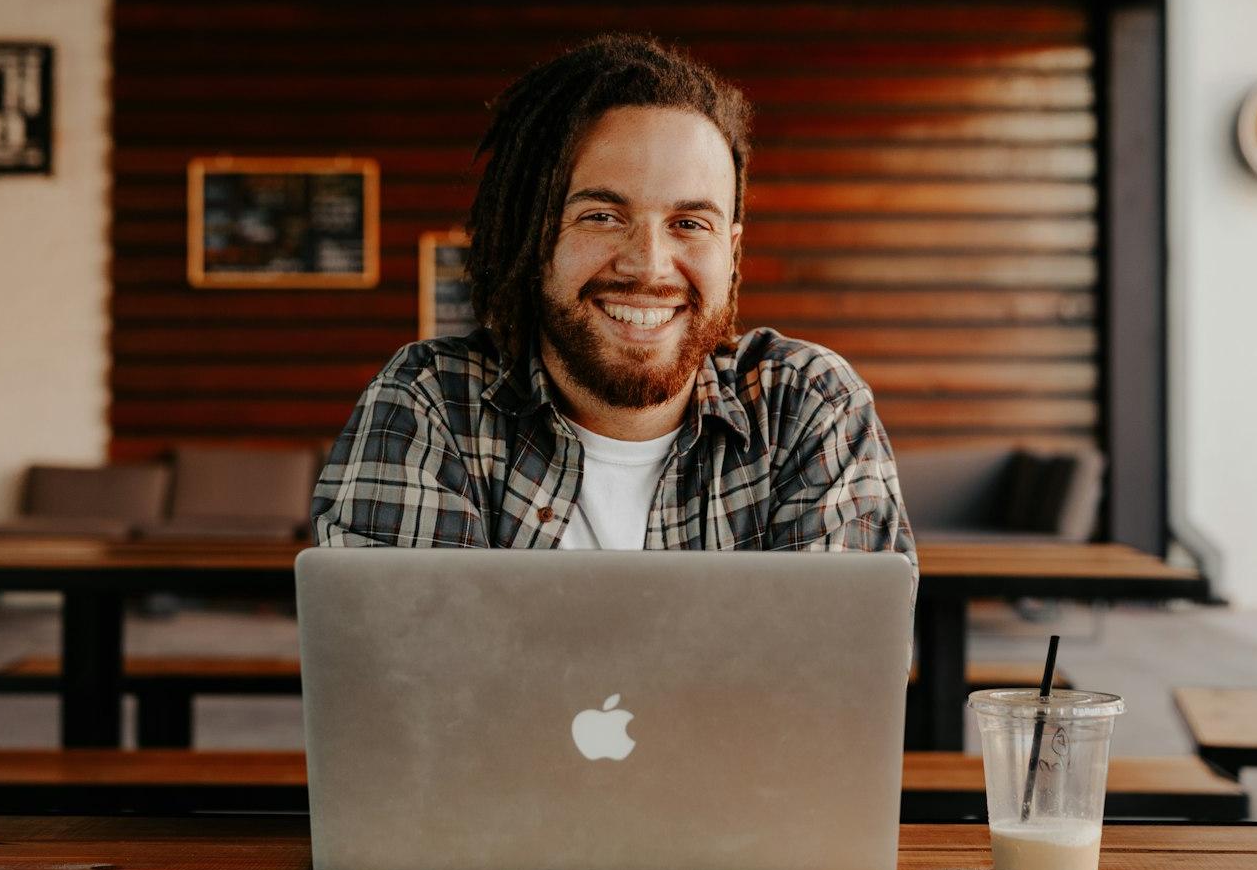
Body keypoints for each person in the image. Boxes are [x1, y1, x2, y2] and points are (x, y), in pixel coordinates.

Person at [312, 33, 914, 563]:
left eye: (689, 223)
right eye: (601, 215)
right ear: (532, 231)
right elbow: (408, 683)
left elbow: (826, 686)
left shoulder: (807, 408)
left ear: (731, 251)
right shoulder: (430, 407)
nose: (648, 265)